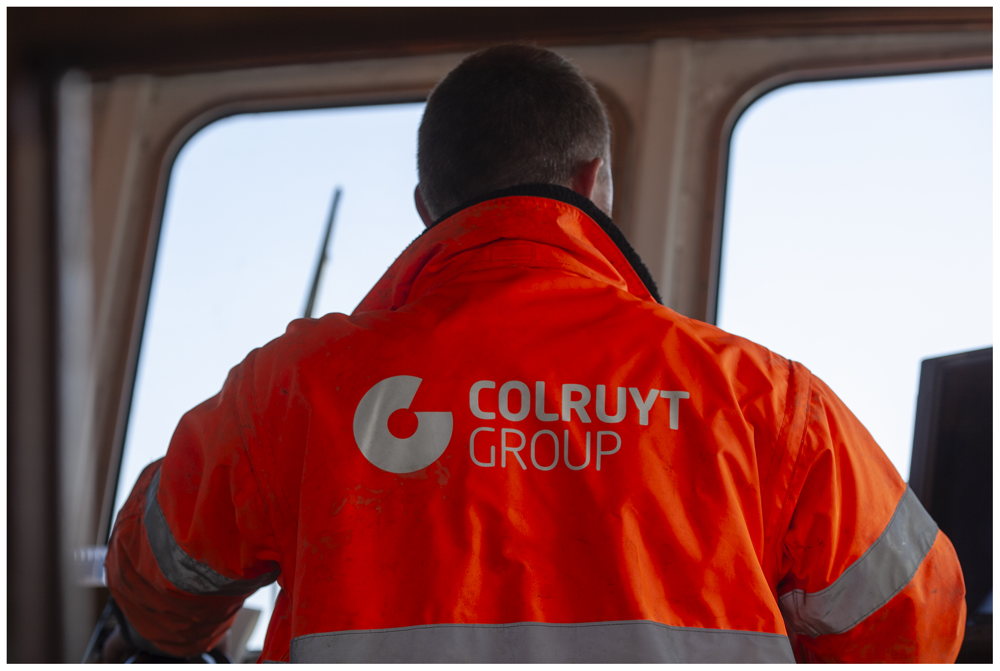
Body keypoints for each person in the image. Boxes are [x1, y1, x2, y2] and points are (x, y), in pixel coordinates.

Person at [105, 44, 966, 663]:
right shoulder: (762, 399)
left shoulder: (291, 386)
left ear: (425, 205)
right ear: (592, 181)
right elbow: (919, 624)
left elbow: (155, 590)